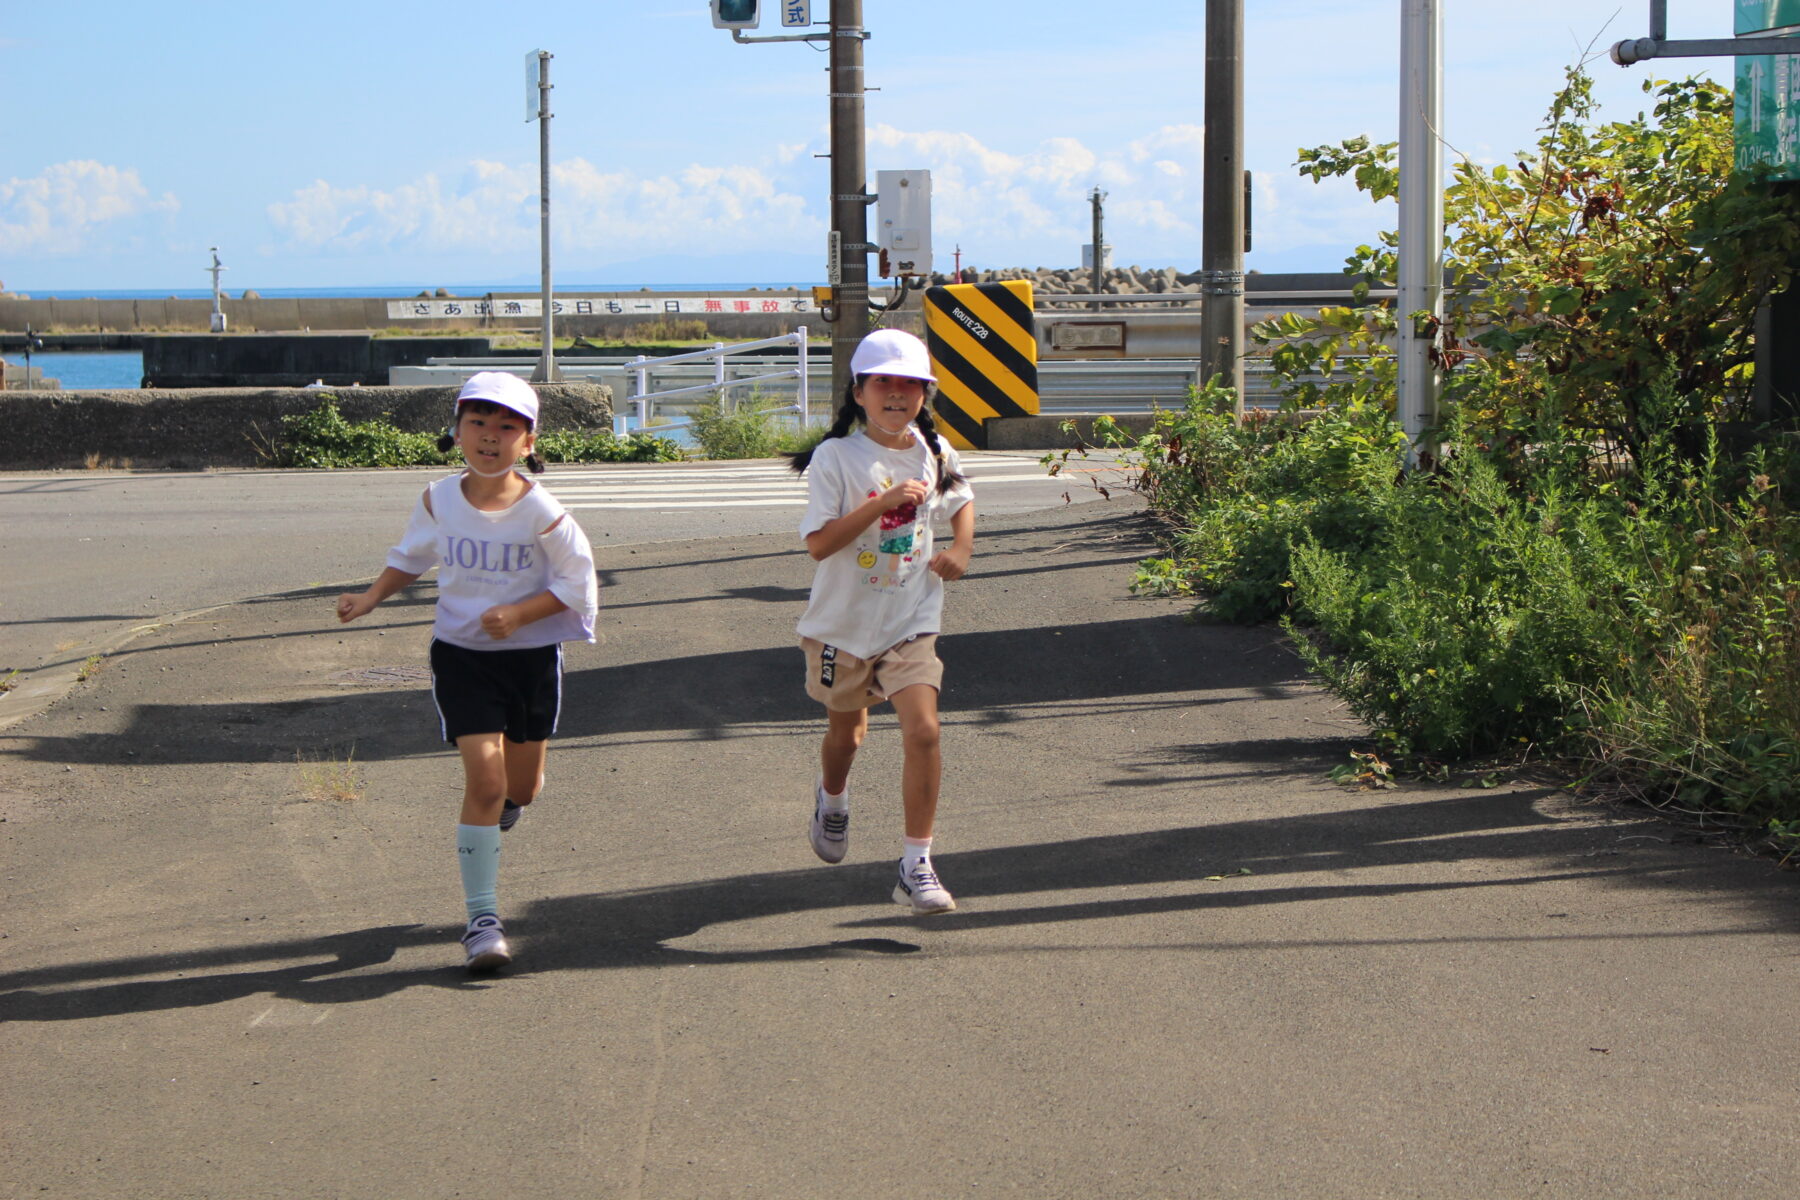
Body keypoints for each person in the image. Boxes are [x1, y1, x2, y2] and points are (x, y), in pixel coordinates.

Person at [336, 372, 597, 972]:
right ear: (456, 432)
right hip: (461, 656)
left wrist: (522, 612)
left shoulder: (545, 512)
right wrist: (371, 597)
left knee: (521, 788)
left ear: (528, 442)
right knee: (483, 780)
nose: (489, 436)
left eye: (507, 427)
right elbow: (411, 556)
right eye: (477, 423)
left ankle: (506, 805)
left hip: (531, 660)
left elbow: (577, 587)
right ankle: (482, 920)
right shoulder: (438, 499)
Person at [785, 329, 975, 913]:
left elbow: (962, 500)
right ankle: (833, 798)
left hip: (911, 618)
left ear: (925, 394)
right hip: (841, 626)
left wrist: (961, 549)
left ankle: (915, 863)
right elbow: (819, 546)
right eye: (883, 383)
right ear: (859, 392)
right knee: (848, 735)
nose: (896, 394)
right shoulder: (836, 457)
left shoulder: (934, 450)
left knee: (924, 730)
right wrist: (880, 503)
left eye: (909, 385)